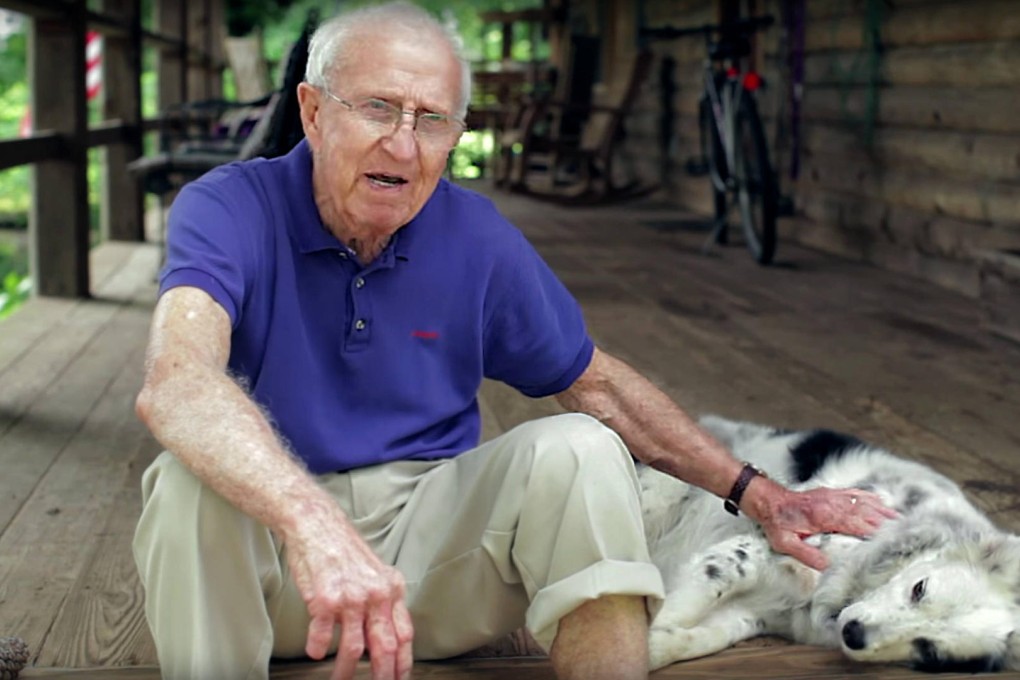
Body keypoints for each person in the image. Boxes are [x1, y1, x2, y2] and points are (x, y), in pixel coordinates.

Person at [131, 3, 894, 680]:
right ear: (313, 110)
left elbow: (597, 386)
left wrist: (758, 494)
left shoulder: (473, 236)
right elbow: (178, 381)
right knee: (186, 484)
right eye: (378, 108)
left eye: (432, 120)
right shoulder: (230, 207)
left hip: (431, 565)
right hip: (271, 572)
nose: (404, 145)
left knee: (580, 446)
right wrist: (313, 525)